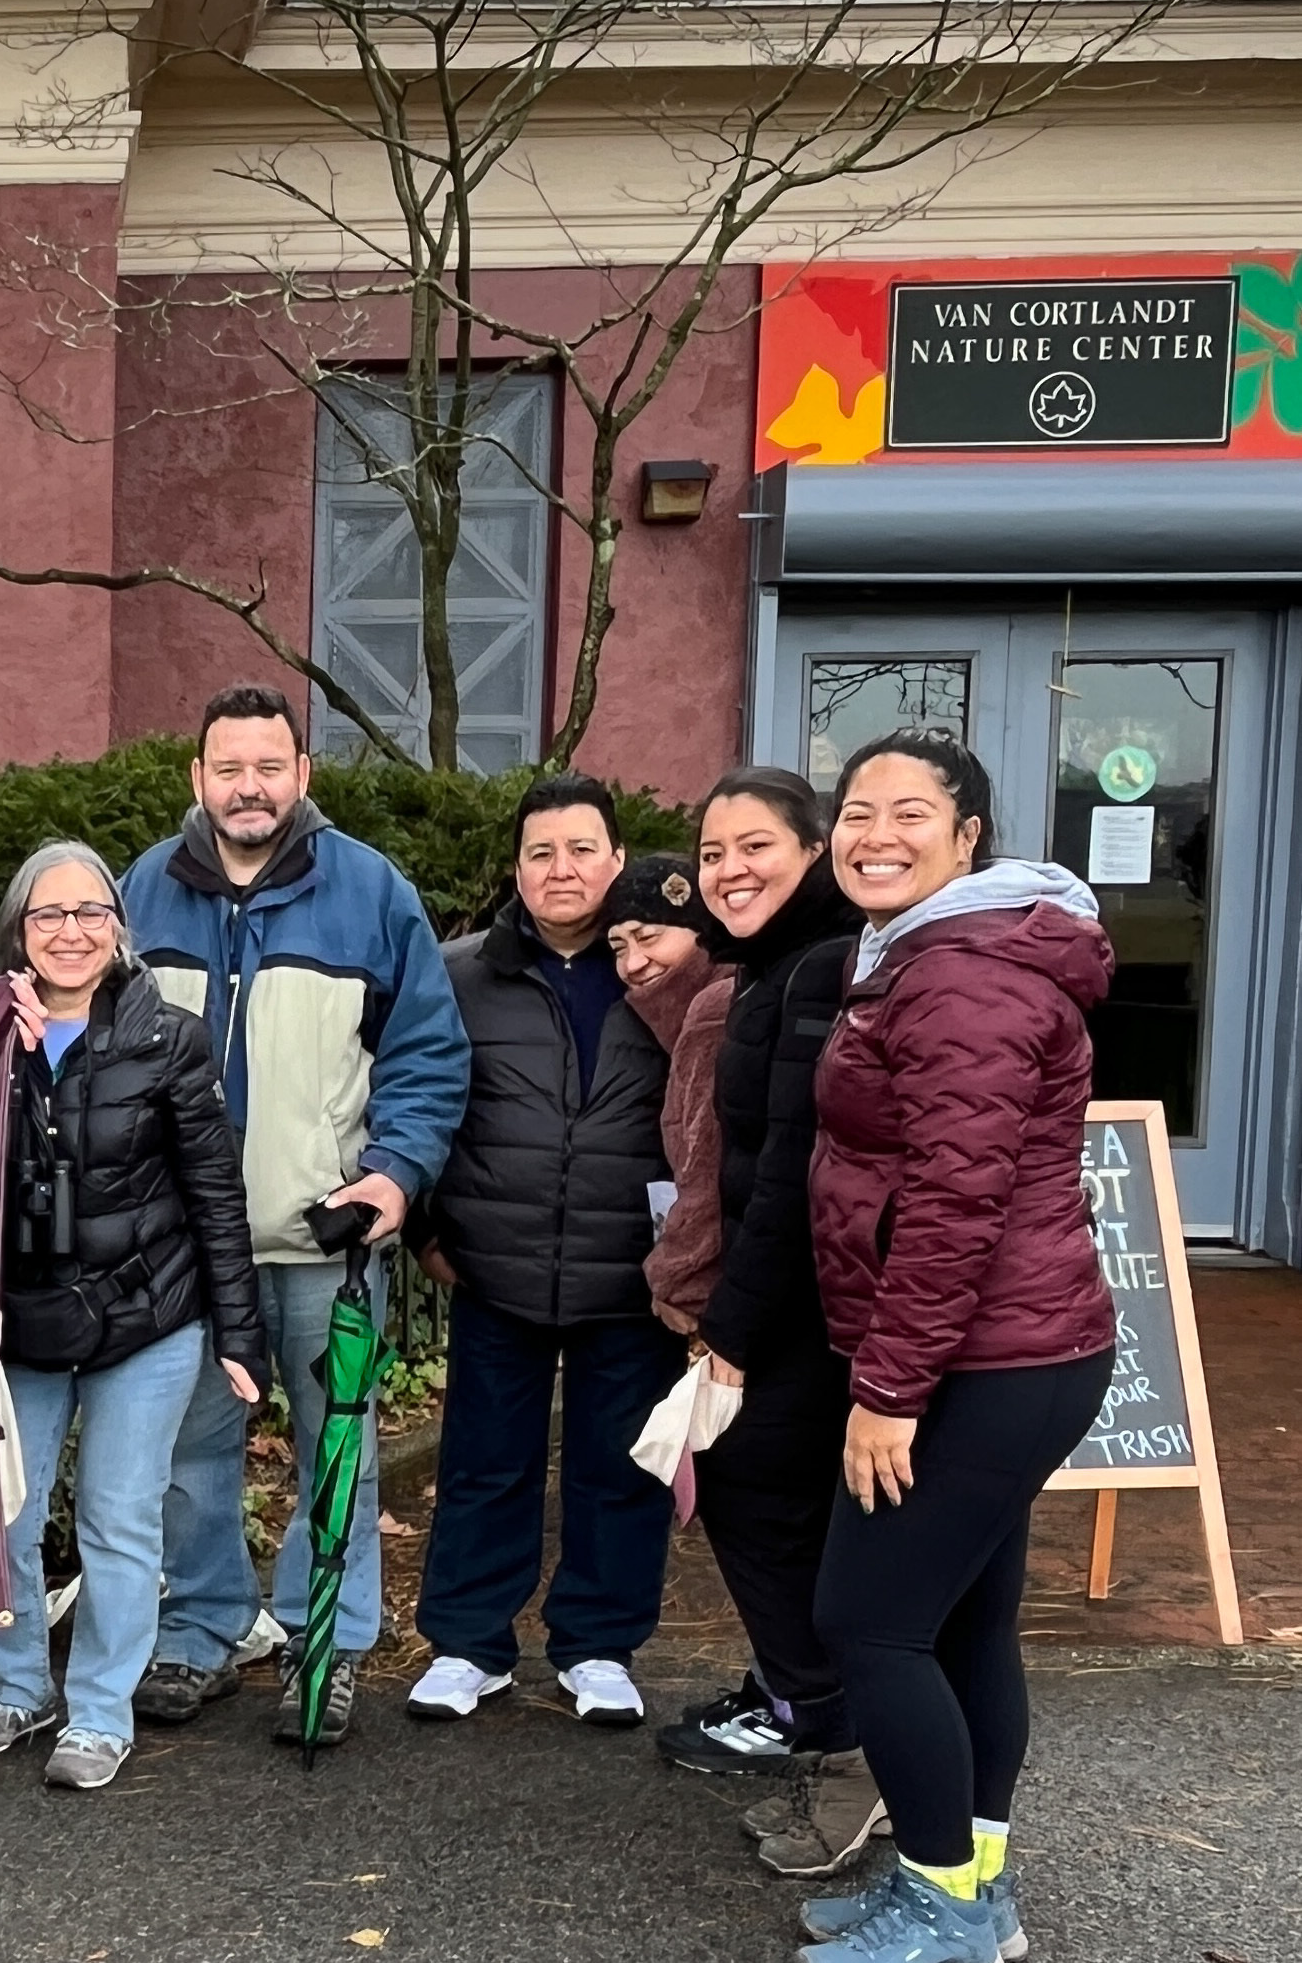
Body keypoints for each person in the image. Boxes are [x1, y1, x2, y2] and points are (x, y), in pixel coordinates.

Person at [794, 734, 1114, 1963]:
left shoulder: (960, 976)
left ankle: (944, 1911)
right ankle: (970, 1880)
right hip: (1009, 1353)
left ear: (967, 834)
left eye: (909, 812)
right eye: (855, 810)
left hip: (982, 1362)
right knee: (964, 1622)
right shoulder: (930, 953)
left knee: (868, 1624)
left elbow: (952, 1203)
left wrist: (886, 1389)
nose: (873, 832)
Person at [121, 684, 470, 1746]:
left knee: (338, 1453)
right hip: (185, 1252)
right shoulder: (141, 891)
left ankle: (329, 1638)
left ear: (300, 774)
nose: (249, 786)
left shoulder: (368, 891)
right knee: (189, 1456)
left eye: (268, 766)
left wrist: (396, 1173)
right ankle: (199, 1632)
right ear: (198, 779)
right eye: (228, 767)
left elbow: (425, 1052)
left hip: (325, 1241)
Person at [0, 840, 265, 1793]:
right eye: (48, 915)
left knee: (118, 1515)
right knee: (3, 1510)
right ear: (18, 930)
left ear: (119, 929)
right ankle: (14, 1686)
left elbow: (214, 1189)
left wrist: (239, 1333)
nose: (70, 932)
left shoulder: (168, 1035)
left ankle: (97, 1707)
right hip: (25, 1319)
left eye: (90, 913)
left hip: (147, 1315)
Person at [406, 774, 687, 1729]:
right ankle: (467, 1644)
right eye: (540, 852)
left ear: (615, 860)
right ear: (516, 869)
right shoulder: (457, 975)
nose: (560, 869)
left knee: (620, 1465)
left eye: (579, 850)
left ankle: (599, 1646)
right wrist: (424, 1229)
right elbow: (416, 1100)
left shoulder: (663, 972)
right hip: (497, 1262)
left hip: (628, 1271)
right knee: (485, 1460)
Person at [661, 766, 877, 1876]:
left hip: (806, 1311)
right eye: (712, 854)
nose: (729, 870)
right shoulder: (767, 970)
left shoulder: (820, 972)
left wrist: (728, 1333)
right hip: (794, 1302)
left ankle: (844, 1745)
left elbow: (792, 1174)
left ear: (812, 852)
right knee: (775, 1511)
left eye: (755, 847)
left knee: (752, 1498)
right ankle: (829, 1720)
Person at [605, 855, 730, 1339]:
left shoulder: (712, 1015)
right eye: (619, 945)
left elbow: (708, 1169)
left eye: (650, 936)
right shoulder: (692, 1015)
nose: (633, 963)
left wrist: (678, 1280)